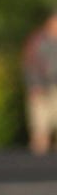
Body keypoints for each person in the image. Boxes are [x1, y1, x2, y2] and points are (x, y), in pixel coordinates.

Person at [23, 11, 57, 155]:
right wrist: (34, 84)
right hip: (42, 87)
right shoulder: (38, 42)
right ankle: (39, 153)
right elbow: (30, 65)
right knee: (40, 123)